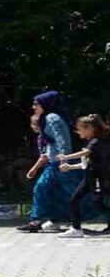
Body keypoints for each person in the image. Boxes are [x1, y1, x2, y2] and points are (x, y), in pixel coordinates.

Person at [20, 91, 85, 233]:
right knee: (47, 190)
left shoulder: (53, 118)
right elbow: (51, 143)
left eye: (36, 104)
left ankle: (41, 221)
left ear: (46, 104)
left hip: (60, 162)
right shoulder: (46, 118)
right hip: (53, 161)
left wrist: (64, 159)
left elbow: (63, 140)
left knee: (72, 192)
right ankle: (40, 221)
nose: (33, 107)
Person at [57, 114, 110, 239]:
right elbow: (87, 163)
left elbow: (86, 153)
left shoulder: (96, 141)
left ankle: (76, 229)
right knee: (93, 202)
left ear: (89, 128)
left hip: (98, 179)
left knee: (91, 202)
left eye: (80, 128)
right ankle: (76, 228)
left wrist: (66, 157)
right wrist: (70, 167)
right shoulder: (91, 142)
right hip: (90, 178)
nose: (77, 131)